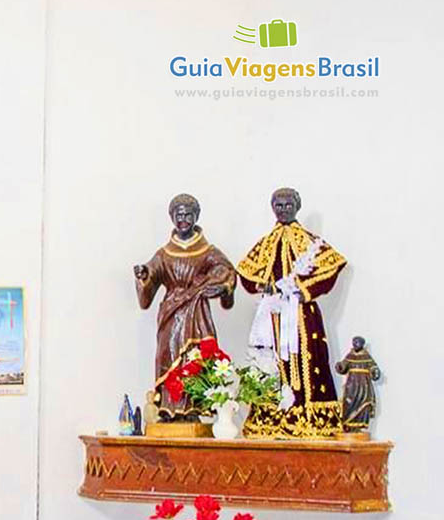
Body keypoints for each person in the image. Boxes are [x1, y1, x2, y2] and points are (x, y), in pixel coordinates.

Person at [238, 188, 347, 438]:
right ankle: (272, 415)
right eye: (278, 205)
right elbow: (246, 273)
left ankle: (308, 414)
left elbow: (331, 268)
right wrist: (263, 287)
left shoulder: (308, 240)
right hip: (273, 315)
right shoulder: (267, 242)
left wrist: (300, 288)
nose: (283, 209)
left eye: (288, 205)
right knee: (270, 362)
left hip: (301, 314)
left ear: (297, 206)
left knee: (307, 358)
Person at [134, 194, 237, 420]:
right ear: (171, 217)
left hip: (197, 313)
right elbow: (150, 278)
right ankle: (169, 409)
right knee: (168, 358)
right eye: (178, 215)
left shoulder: (208, 250)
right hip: (171, 314)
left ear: (196, 216)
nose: (183, 219)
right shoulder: (164, 253)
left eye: (187, 214)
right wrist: (143, 276)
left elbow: (227, 272)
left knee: (195, 357)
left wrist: (220, 286)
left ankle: (193, 409)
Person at [336, 336, 381, 435]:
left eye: (357, 343)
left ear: (361, 344)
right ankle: (349, 424)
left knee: (363, 403)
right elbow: (343, 366)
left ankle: (359, 425)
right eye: (354, 342)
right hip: (351, 384)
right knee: (348, 402)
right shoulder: (350, 355)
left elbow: (373, 367)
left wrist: (375, 371)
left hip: (363, 384)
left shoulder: (366, 356)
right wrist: (339, 366)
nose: (355, 345)